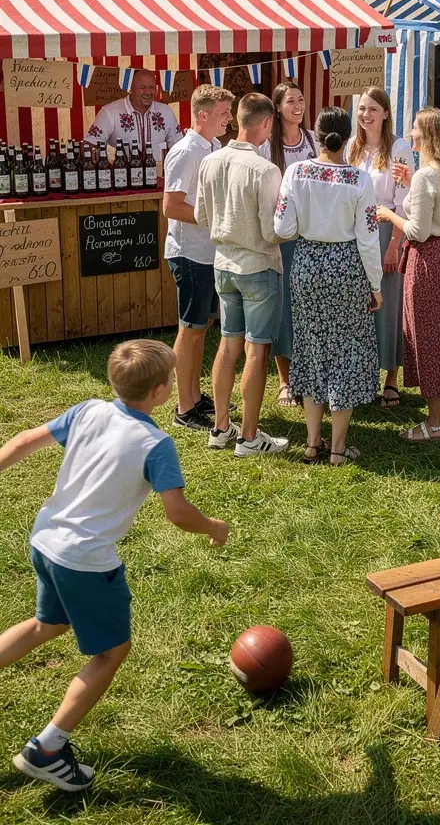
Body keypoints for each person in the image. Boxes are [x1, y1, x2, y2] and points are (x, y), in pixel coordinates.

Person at [0, 340, 228, 792]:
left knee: (48, 624)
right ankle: (47, 750)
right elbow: (177, 513)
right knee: (111, 652)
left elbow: (25, 440)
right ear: (160, 392)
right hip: (85, 562)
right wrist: (213, 527)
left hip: (46, 540)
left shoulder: (87, 410)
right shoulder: (155, 444)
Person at [274, 107, 382, 466]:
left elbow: (282, 227)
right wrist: (376, 284)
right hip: (346, 268)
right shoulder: (359, 179)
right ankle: (337, 448)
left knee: (311, 348)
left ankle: (311, 443)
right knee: (346, 352)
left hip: (306, 265)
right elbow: (368, 239)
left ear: (316, 136)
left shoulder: (296, 172)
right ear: (347, 137)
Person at [377, 107, 440, 443]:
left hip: (430, 261)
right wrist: (412, 184)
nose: (411, 133)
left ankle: (435, 424)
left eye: (416, 128)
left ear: (429, 135)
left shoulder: (426, 176)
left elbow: (418, 232)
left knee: (432, 339)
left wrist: (387, 214)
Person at [195, 93, 289, 457]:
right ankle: (249, 437)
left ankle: (221, 428)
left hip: (223, 263)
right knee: (256, 351)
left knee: (228, 344)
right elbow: (270, 231)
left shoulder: (210, 160)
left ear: (238, 119)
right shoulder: (266, 170)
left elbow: (201, 217)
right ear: (266, 123)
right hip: (258, 266)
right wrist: (294, 224)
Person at [163, 84, 235, 432]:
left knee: (201, 327)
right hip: (189, 253)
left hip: (208, 252)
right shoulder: (185, 151)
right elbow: (171, 206)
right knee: (190, 329)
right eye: (224, 113)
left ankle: (193, 396)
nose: (230, 119)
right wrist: (214, 217)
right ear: (202, 115)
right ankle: (183, 407)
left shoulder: (214, 146)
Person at [347, 86, 413, 409]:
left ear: (386, 113)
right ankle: (363, 376)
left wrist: (394, 246)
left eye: (373, 109)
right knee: (361, 306)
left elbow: (403, 202)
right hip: (356, 233)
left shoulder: (399, 147)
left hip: (387, 232)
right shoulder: (352, 147)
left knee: (389, 304)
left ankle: (391, 378)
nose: (366, 114)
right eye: (362, 108)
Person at [267, 82, 317, 410]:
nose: (297, 105)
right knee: (284, 307)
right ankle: (285, 380)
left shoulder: (314, 139)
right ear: (278, 107)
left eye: (301, 99)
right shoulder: (267, 147)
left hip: (312, 236)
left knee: (309, 307)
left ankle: (310, 373)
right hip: (283, 238)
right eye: (290, 101)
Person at [84, 67, 183, 157]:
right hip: (121, 171)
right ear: (131, 89)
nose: (148, 92)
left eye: (152, 87)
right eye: (142, 87)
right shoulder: (109, 112)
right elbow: (90, 146)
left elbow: (179, 146)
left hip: (159, 171)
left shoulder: (166, 112)